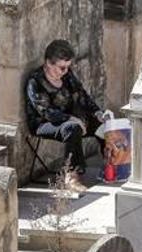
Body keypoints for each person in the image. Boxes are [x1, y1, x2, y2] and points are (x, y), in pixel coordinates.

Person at [25, 39, 107, 192]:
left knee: (102, 124)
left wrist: (97, 112)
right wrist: (71, 119)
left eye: (67, 67)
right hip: (44, 123)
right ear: (49, 63)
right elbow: (46, 112)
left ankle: (111, 164)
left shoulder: (67, 76)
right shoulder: (35, 81)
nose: (64, 72)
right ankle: (71, 175)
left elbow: (82, 95)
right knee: (72, 128)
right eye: (61, 68)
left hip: (71, 119)